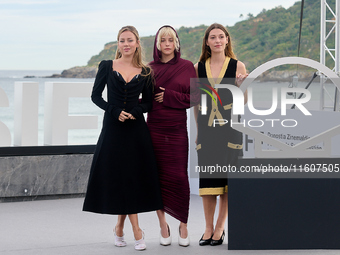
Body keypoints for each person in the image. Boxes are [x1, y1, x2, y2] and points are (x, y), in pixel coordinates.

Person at [83, 25, 163, 251]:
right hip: (112, 128)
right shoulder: (107, 66)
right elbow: (95, 96)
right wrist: (114, 111)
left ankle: (121, 227)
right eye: (122, 40)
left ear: (137, 43)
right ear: (118, 44)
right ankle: (136, 231)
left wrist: (136, 112)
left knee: (132, 177)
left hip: (137, 130)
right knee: (119, 176)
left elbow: (148, 103)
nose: (126, 44)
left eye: (130, 40)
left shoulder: (146, 71)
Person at [194, 23, 248, 246]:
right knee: (208, 182)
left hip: (231, 129)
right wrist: (198, 133)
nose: (217, 40)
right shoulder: (198, 68)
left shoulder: (238, 65)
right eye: (212, 37)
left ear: (227, 40)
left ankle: (219, 228)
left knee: (227, 182)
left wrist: (239, 87)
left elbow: (243, 103)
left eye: (221, 37)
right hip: (207, 130)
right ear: (207, 42)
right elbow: (197, 104)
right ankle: (207, 227)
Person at [147, 25, 199, 247]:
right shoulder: (148, 68)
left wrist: (168, 95)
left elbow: (196, 97)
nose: (167, 44)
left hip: (177, 130)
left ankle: (183, 223)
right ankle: (162, 225)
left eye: (171, 40)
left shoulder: (187, 67)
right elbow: (143, 100)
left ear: (176, 43)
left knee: (179, 177)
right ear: (157, 44)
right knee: (156, 178)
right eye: (163, 40)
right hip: (154, 129)